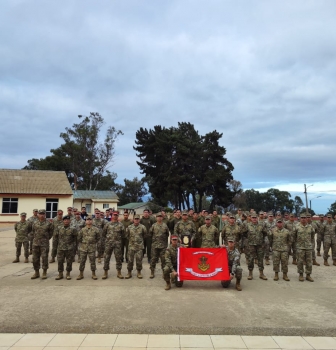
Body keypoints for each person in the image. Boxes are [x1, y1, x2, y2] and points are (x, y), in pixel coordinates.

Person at [240, 212, 268, 280]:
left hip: (260, 245)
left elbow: (265, 233)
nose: (254, 219)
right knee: (250, 259)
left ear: (257, 218)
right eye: (253, 218)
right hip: (251, 245)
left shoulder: (262, 225)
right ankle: (250, 273)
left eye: (255, 218)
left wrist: (260, 239)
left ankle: (261, 273)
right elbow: (243, 233)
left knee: (260, 259)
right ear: (251, 218)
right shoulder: (247, 225)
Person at [30, 209, 53, 279]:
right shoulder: (35, 223)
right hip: (35, 243)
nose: (42, 215)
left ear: (45, 215)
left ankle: (44, 272)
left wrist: (46, 238)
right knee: (35, 259)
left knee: (44, 258)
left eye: (43, 214)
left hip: (44, 244)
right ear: (38, 215)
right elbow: (33, 232)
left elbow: (51, 233)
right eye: (40, 214)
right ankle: (36, 272)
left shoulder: (48, 223)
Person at [101, 211, 125, 280]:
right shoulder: (107, 224)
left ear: (118, 216)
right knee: (106, 258)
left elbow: (123, 234)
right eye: (114, 215)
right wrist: (108, 239)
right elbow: (104, 233)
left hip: (117, 244)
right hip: (109, 244)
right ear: (112, 216)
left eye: (116, 215)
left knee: (118, 258)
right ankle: (105, 272)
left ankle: (119, 272)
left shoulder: (121, 225)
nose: (115, 216)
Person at [53, 215, 77, 280]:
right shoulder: (59, 228)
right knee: (60, 261)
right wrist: (54, 248)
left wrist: (74, 248)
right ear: (63, 221)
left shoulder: (73, 229)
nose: (66, 221)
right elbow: (55, 238)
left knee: (69, 261)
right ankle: (60, 273)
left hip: (70, 248)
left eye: (67, 220)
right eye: (65, 220)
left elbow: (75, 239)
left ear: (70, 221)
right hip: (60, 248)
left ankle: (68, 273)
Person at [77, 215, 100, 280]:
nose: (89, 221)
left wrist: (92, 242)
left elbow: (98, 238)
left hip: (92, 248)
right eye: (87, 220)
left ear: (92, 221)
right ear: (85, 221)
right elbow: (79, 238)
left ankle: (93, 274)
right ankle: (81, 274)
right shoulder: (82, 230)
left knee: (92, 261)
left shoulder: (96, 229)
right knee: (82, 261)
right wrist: (84, 242)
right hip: (83, 248)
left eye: (90, 220)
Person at [293, 213, 315, 282]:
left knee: (309, 262)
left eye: (304, 218)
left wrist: (310, 244)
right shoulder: (296, 227)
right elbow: (294, 236)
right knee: (300, 261)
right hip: (300, 247)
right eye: (302, 218)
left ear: (306, 219)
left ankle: (308, 275)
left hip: (308, 247)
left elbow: (312, 236)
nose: (303, 219)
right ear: (300, 218)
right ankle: (301, 275)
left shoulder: (310, 227)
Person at [148, 213, 170, 278]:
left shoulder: (165, 226)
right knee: (153, 259)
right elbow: (150, 233)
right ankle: (152, 272)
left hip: (163, 246)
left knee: (163, 260)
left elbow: (167, 234)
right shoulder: (153, 225)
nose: (159, 218)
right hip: (155, 246)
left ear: (162, 218)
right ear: (156, 218)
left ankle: (164, 273)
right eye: (158, 217)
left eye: (160, 217)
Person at [125, 214, 147, 279]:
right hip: (131, 246)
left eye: (137, 219)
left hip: (139, 247)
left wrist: (139, 241)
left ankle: (139, 272)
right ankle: (129, 272)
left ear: (139, 220)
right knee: (130, 260)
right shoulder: (129, 227)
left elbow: (145, 235)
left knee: (139, 260)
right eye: (135, 219)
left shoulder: (143, 227)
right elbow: (127, 235)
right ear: (133, 220)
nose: (136, 220)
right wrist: (132, 241)